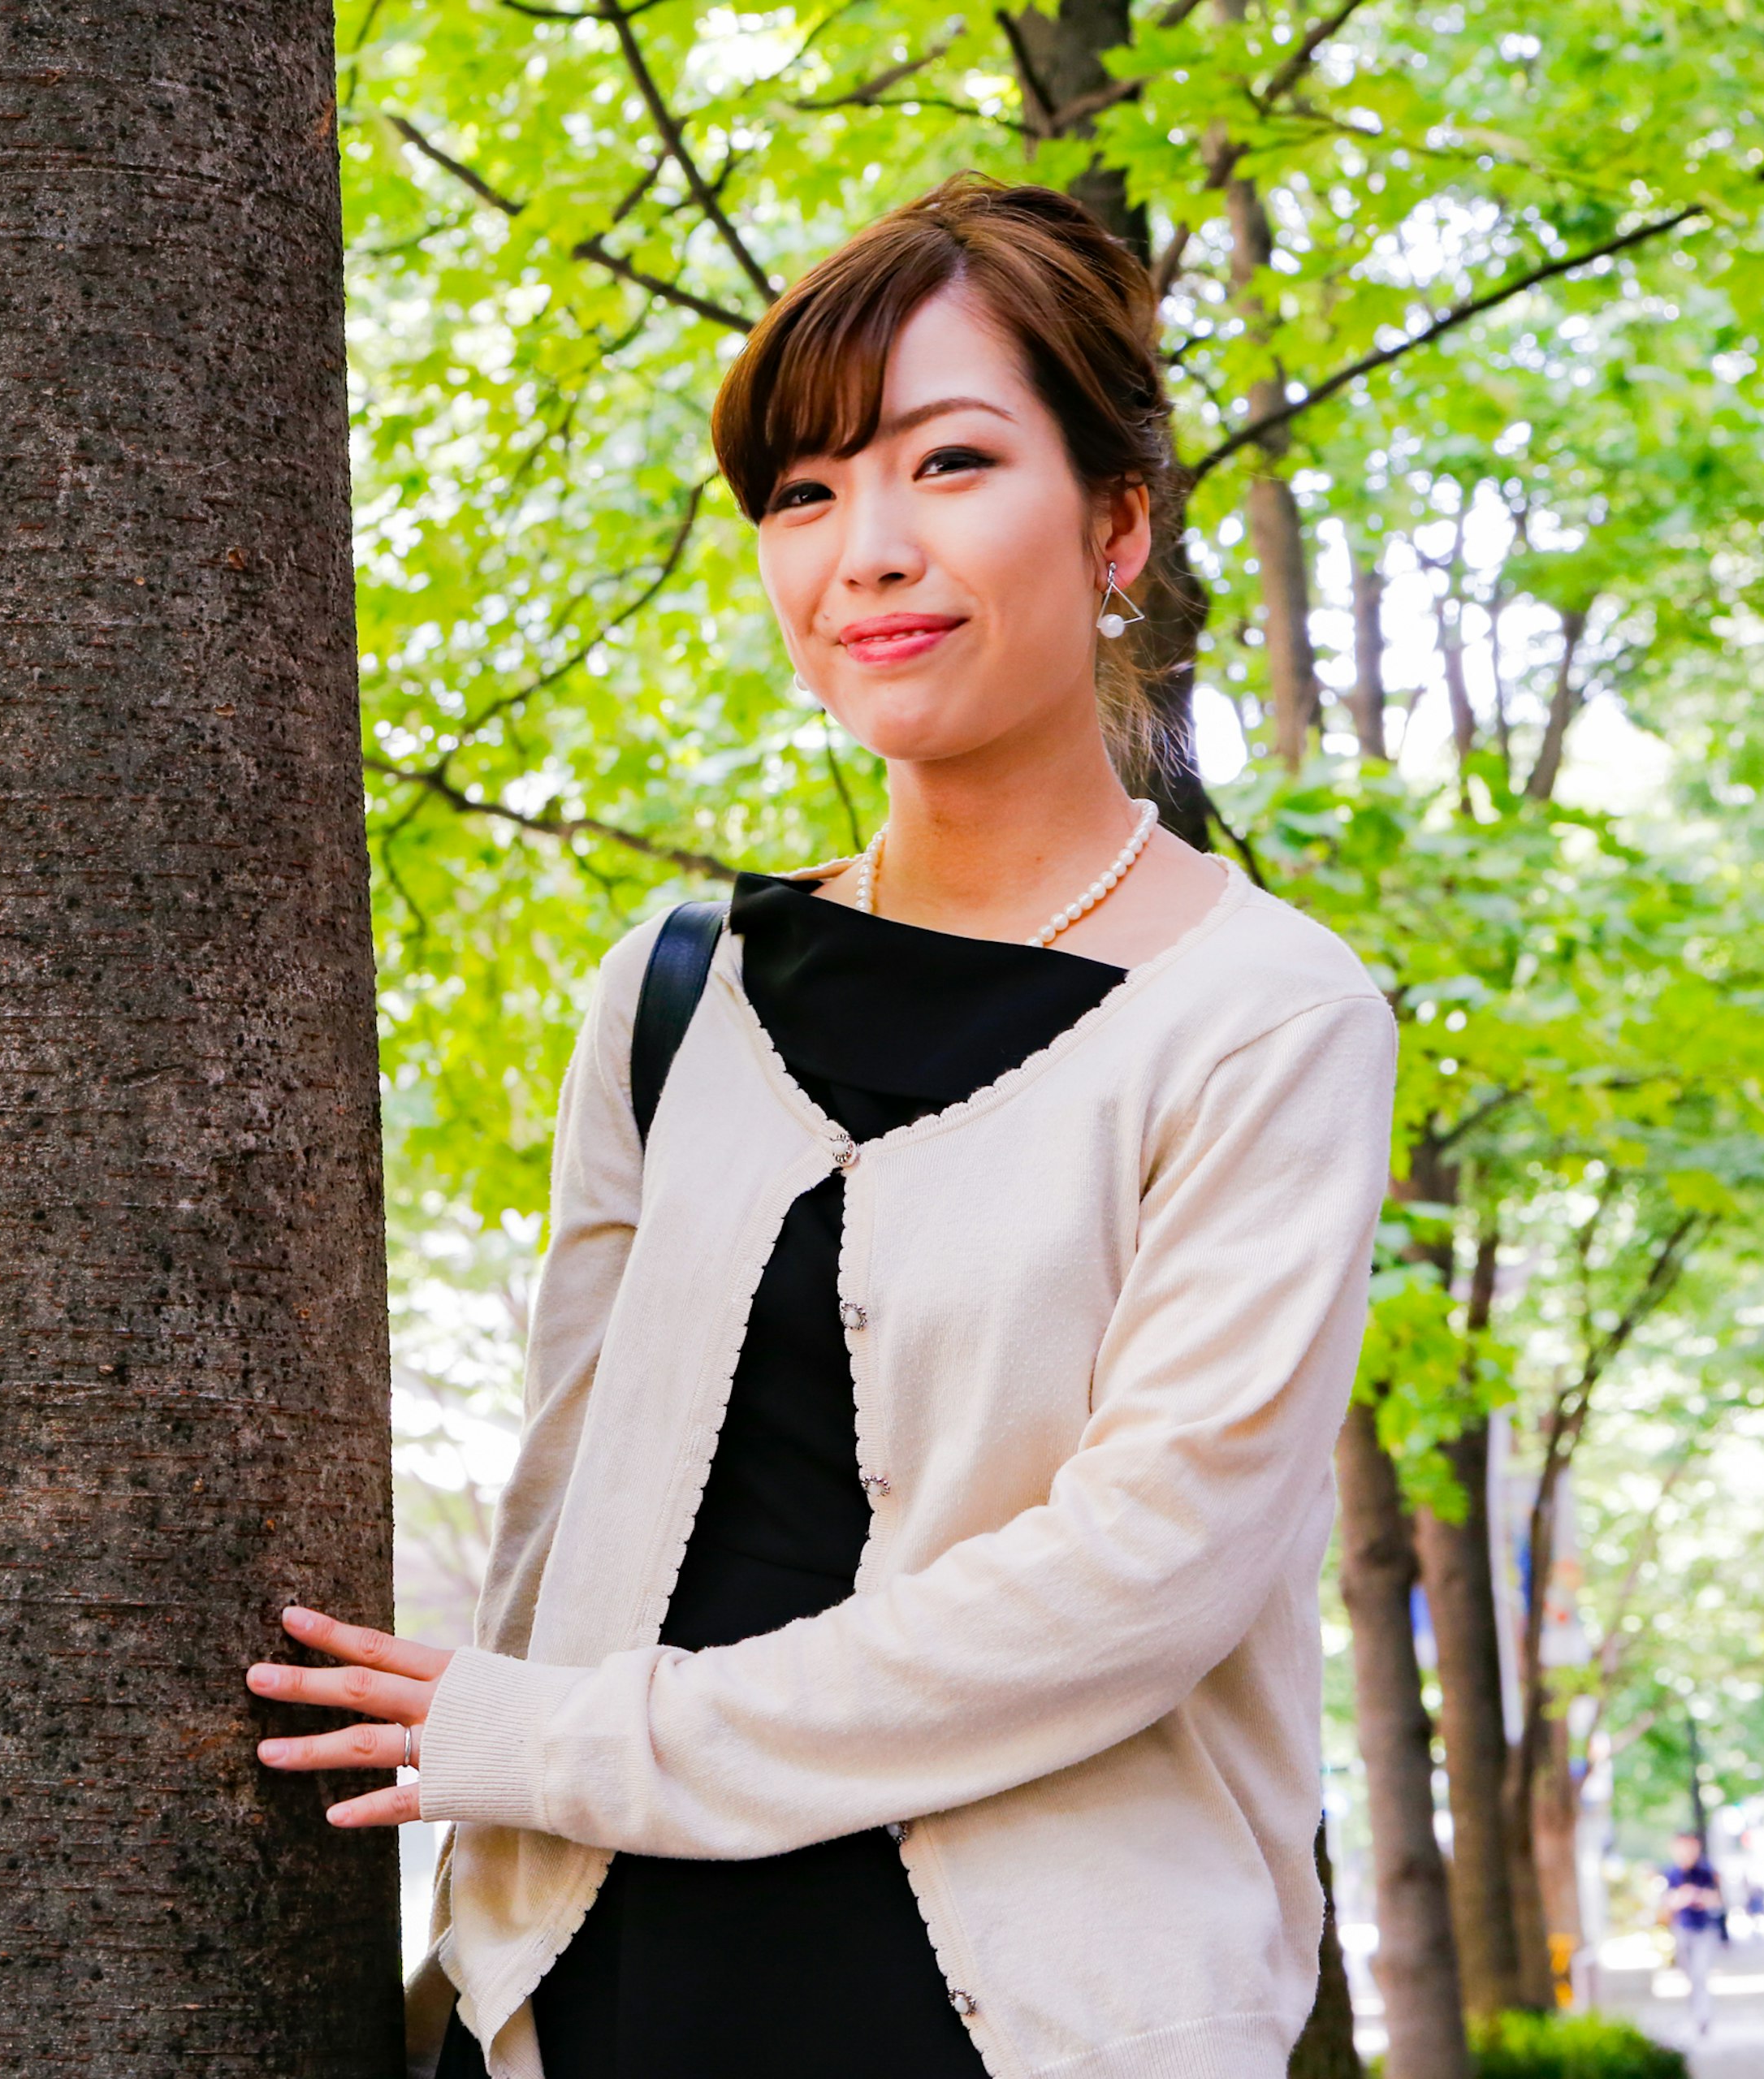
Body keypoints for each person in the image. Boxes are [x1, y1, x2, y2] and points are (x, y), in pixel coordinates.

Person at [243, 175, 1399, 2078]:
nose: (863, 550)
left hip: (1013, 2018)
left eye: (946, 463)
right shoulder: (678, 983)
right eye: (801, 492)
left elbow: (1143, 1573)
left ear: (1118, 521)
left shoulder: (1263, 1014)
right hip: (593, 1989)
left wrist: (556, 1735)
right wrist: (479, 1920)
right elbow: (560, 1496)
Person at [1662, 1832, 1725, 2038]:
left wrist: (1698, 1896)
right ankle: (1695, 2014)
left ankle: (1703, 2017)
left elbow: (1717, 1899)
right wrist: (1681, 1897)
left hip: (1705, 1929)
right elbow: (1667, 1903)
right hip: (1683, 1929)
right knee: (1690, 1975)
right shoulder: (1672, 1873)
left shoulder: (1706, 1871)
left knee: (1700, 1973)